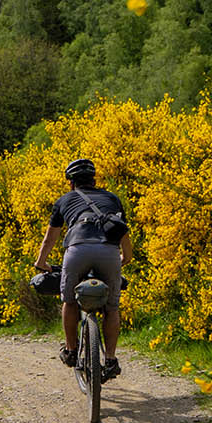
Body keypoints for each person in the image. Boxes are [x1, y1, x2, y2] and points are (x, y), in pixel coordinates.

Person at [33, 157, 132, 379]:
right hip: (109, 251)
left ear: (71, 182)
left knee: (69, 300)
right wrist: (126, 256)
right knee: (112, 307)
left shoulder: (65, 200)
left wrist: (41, 262)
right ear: (94, 179)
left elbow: (50, 238)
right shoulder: (112, 199)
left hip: (77, 250)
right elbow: (122, 230)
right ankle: (111, 359)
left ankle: (70, 350)